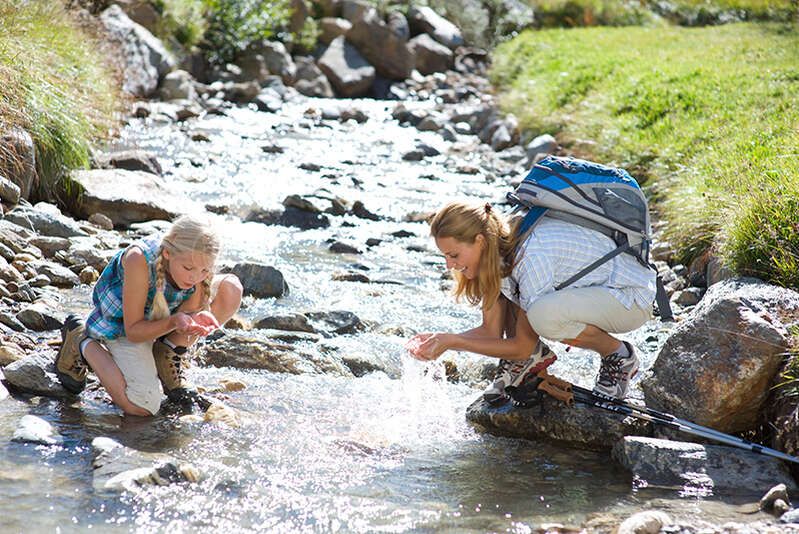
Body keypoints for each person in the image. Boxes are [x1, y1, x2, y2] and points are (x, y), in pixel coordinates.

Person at [406, 202, 656, 402]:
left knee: (544, 316)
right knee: (537, 311)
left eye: (454, 255)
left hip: (629, 297)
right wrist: (441, 339)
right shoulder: (495, 256)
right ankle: (529, 362)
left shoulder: (530, 255)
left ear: (480, 240)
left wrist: (454, 342)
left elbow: (521, 344)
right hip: (594, 295)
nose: (449, 265)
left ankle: (619, 356)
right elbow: (489, 332)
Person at [55, 214, 243, 416]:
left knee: (231, 288)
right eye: (188, 268)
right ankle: (81, 341)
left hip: (164, 315)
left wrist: (193, 317)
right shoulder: (139, 259)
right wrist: (173, 322)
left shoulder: (195, 262)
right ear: (169, 253)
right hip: (124, 323)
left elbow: (194, 293)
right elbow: (134, 331)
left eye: (204, 270)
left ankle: (167, 353)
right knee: (143, 406)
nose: (195, 277)